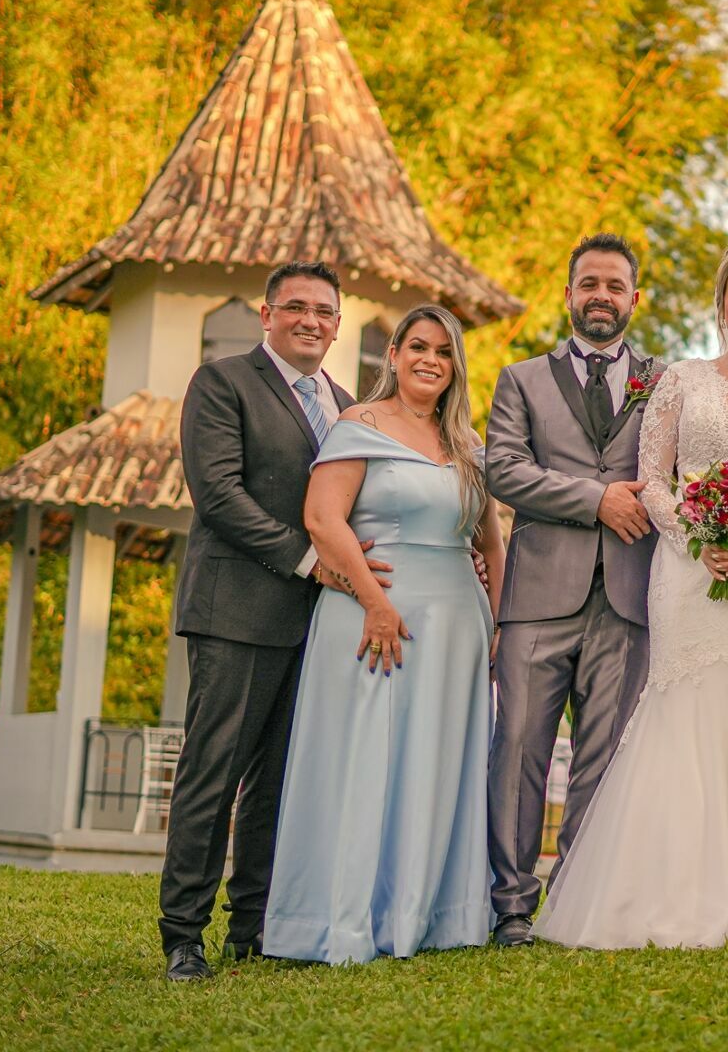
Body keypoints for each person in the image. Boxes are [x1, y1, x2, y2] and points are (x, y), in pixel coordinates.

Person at [535, 239, 728, 949]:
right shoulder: (680, 379)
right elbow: (653, 479)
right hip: (684, 570)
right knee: (679, 704)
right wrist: (705, 542)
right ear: (721, 301)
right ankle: (657, 893)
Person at [262, 304, 506, 965]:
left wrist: (497, 624)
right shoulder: (358, 425)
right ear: (392, 354)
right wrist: (373, 602)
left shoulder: (469, 445)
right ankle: (345, 919)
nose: (430, 359)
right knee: (367, 756)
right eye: (417, 346)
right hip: (376, 619)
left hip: (457, 621)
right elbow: (322, 519)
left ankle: (429, 915)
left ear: (456, 366)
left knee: (437, 760)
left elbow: (490, 539)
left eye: (444, 351)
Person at [157, 261, 370, 982]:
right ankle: (183, 933)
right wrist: (309, 560)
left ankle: (253, 927)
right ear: (268, 314)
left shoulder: (346, 407)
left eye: (325, 311)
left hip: (316, 625)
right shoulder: (222, 383)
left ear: (338, 324)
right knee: (212, 774)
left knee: (279, 782)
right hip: (236, 612)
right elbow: (216, 494)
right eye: (297, 307)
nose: (312, 320)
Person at [482, 234, 663, 947]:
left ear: (634, 300)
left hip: (628, 597)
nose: (601, 296)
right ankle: (511, 906)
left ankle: (574, 899)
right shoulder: (521, 380)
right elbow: (504, 469)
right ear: (567, 294)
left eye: (615, 286)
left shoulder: (666, 381)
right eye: (589, 283)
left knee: (605, 757)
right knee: (518, 750)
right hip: (537, 598)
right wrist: (595, 500)